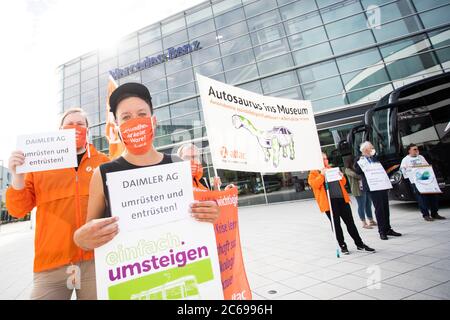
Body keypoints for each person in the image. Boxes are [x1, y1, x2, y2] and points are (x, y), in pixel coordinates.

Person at [73, 82, 220, 253]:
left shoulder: (178, 164)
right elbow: (89, 233)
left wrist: (211, 212)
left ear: (153, 121)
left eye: (142, 114)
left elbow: (199, 212)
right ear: (117, 127)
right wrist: (81, 238)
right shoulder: (103, 174)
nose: (135, 122)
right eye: (126, 117)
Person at [6, 108, 110, 300]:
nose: (75, 128)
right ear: (60, 130)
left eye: (80, 124)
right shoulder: (40, 164)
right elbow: (17, 210)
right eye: (69, 124)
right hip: (51, 265)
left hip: (95, 262)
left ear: (88, 130)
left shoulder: (103, 163)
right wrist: (17, 177)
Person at [308, 153, 375, 255]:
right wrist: (322, 174)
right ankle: (342, 245)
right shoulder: (313, 173)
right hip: (330, 203)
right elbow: (315, 185)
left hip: (342, 200)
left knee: (350, 223)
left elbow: (342, 183)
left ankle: (360, 244)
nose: (325, 161)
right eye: (322, 159)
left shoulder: (332, 169)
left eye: (326, 158)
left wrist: (341, 176)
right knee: (336, 225)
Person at [354, 141, 402, 240]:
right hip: (372, 187)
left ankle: (388, 228)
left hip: (381, 185)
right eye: (371, 148)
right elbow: (358, 171)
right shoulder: (360, 159)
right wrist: (363, 161)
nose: (373, 149)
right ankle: (382, 231)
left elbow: (382, 167)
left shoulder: (375, 158)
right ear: (365, 150)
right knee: (379, 208)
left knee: (385, 207)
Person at [400, 143, 445, 221]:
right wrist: (411, 173)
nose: (417, 150)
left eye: (417, 149)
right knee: (422, 198)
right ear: (409, 151)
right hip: (416, 181)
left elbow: (427, 167)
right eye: (414, 149)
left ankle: (435, 213)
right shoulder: (405, 159)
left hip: (426, 179)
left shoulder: (421, 157)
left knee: (433, 196)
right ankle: (426, 215)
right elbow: (402, 170)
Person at [344, 156, 377, 229]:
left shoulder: (358, 168)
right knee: (361, 205)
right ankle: (364, 223)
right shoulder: (347, 170)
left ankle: (371, 220)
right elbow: (357, 176)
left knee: (368, 204)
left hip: (365, 187)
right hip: (357, 190)